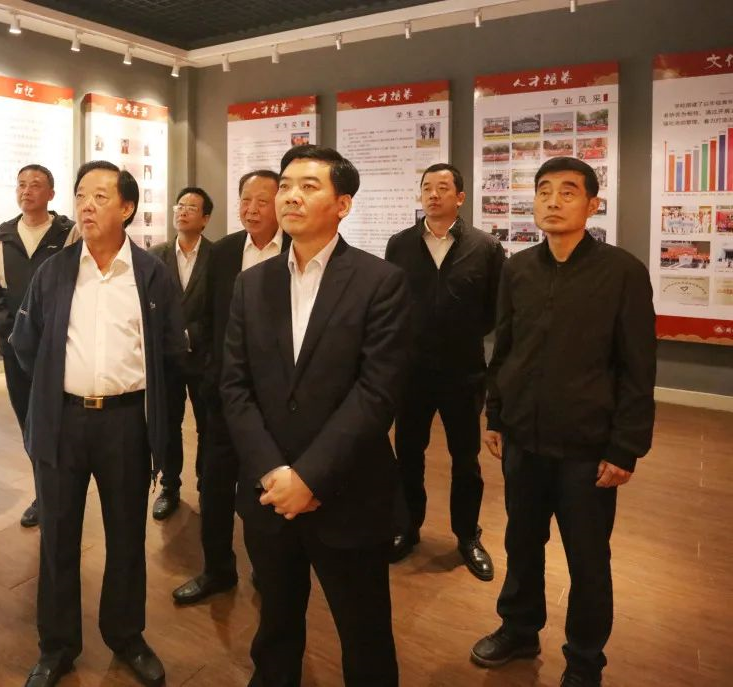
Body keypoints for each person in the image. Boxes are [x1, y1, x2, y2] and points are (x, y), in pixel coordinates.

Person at [221, 145, 411, 686]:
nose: (290, 196)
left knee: (364, 632)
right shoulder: (251, 284)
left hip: (347, 492)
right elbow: (234, 386)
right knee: (275, 625)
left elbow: (376, 394)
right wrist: (273, 471)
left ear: (343, 204)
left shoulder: (380, 282)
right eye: (285, 185)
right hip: (269, 494)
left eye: (309, 186)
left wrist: (309, 477)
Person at [469, 157, 656, 687]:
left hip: (586, 447)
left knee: (588, 560)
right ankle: (519, 629)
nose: (553, 201)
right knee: (522, 543)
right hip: (523, 440)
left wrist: (625, 447)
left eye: (568, 192)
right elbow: (506, 348)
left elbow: (638, 368)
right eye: (544, 190)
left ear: (592, 204)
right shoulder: (518, 269)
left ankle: (585, 660)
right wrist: (496, 414)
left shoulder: (621, 272)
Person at [11, 160, 186, 687]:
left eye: (100, 196)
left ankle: (127, 637)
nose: (86, 205)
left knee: (127, 536)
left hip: (126, 423)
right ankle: (57, 646)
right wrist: (55, 388)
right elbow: (27, 345)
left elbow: (171, 352)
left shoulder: (151, 274)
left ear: (127, 208)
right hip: (63, 421)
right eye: (81, 195)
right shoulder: (55, 271)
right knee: (57, 537)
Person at [170, 169, 290, 605]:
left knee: (267, 488)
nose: (252, 209)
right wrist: (210, 374)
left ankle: (268, 568)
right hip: (225, 393)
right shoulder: (222, 252)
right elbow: (206, 318)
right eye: (245, 200)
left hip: (279, 399)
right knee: (215, 485)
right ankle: (217, 569)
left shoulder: (296, 250)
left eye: (262, 201)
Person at [384, 163, 505, 580]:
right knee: (408, 454)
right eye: (427, 187)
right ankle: (406, 527)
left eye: (443, 187)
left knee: (465, 459)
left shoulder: (485, 247)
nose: (433, 194)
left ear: (460, 197)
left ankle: (468, 535)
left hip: (462, 370)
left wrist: (460, 333)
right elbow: (392, 302)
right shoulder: (400, 244)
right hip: (411, 371)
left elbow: (495, 309)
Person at [0, 164, 75, 528]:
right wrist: (13, 334)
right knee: (29, 423)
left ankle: (64, 489)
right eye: (21, 184)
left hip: (61, 349)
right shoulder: (1, 238)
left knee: (62, 421)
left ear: (51, 193)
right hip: (15, 350)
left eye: (36, 185)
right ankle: (43, 492)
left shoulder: (69, 234)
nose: (27, 191)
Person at [147, 186, 214, 520]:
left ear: (205, 219)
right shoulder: (155, 256)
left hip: (204, 359)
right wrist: (170, 335)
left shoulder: (218, 256)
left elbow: (221, 308)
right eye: (180, 205)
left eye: (191, 207)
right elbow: (149, 305)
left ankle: (207, 485)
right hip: (167, 360)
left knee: (207, 426)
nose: (183, 211)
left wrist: (190, 334)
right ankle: (169, 486)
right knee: (169, 425)